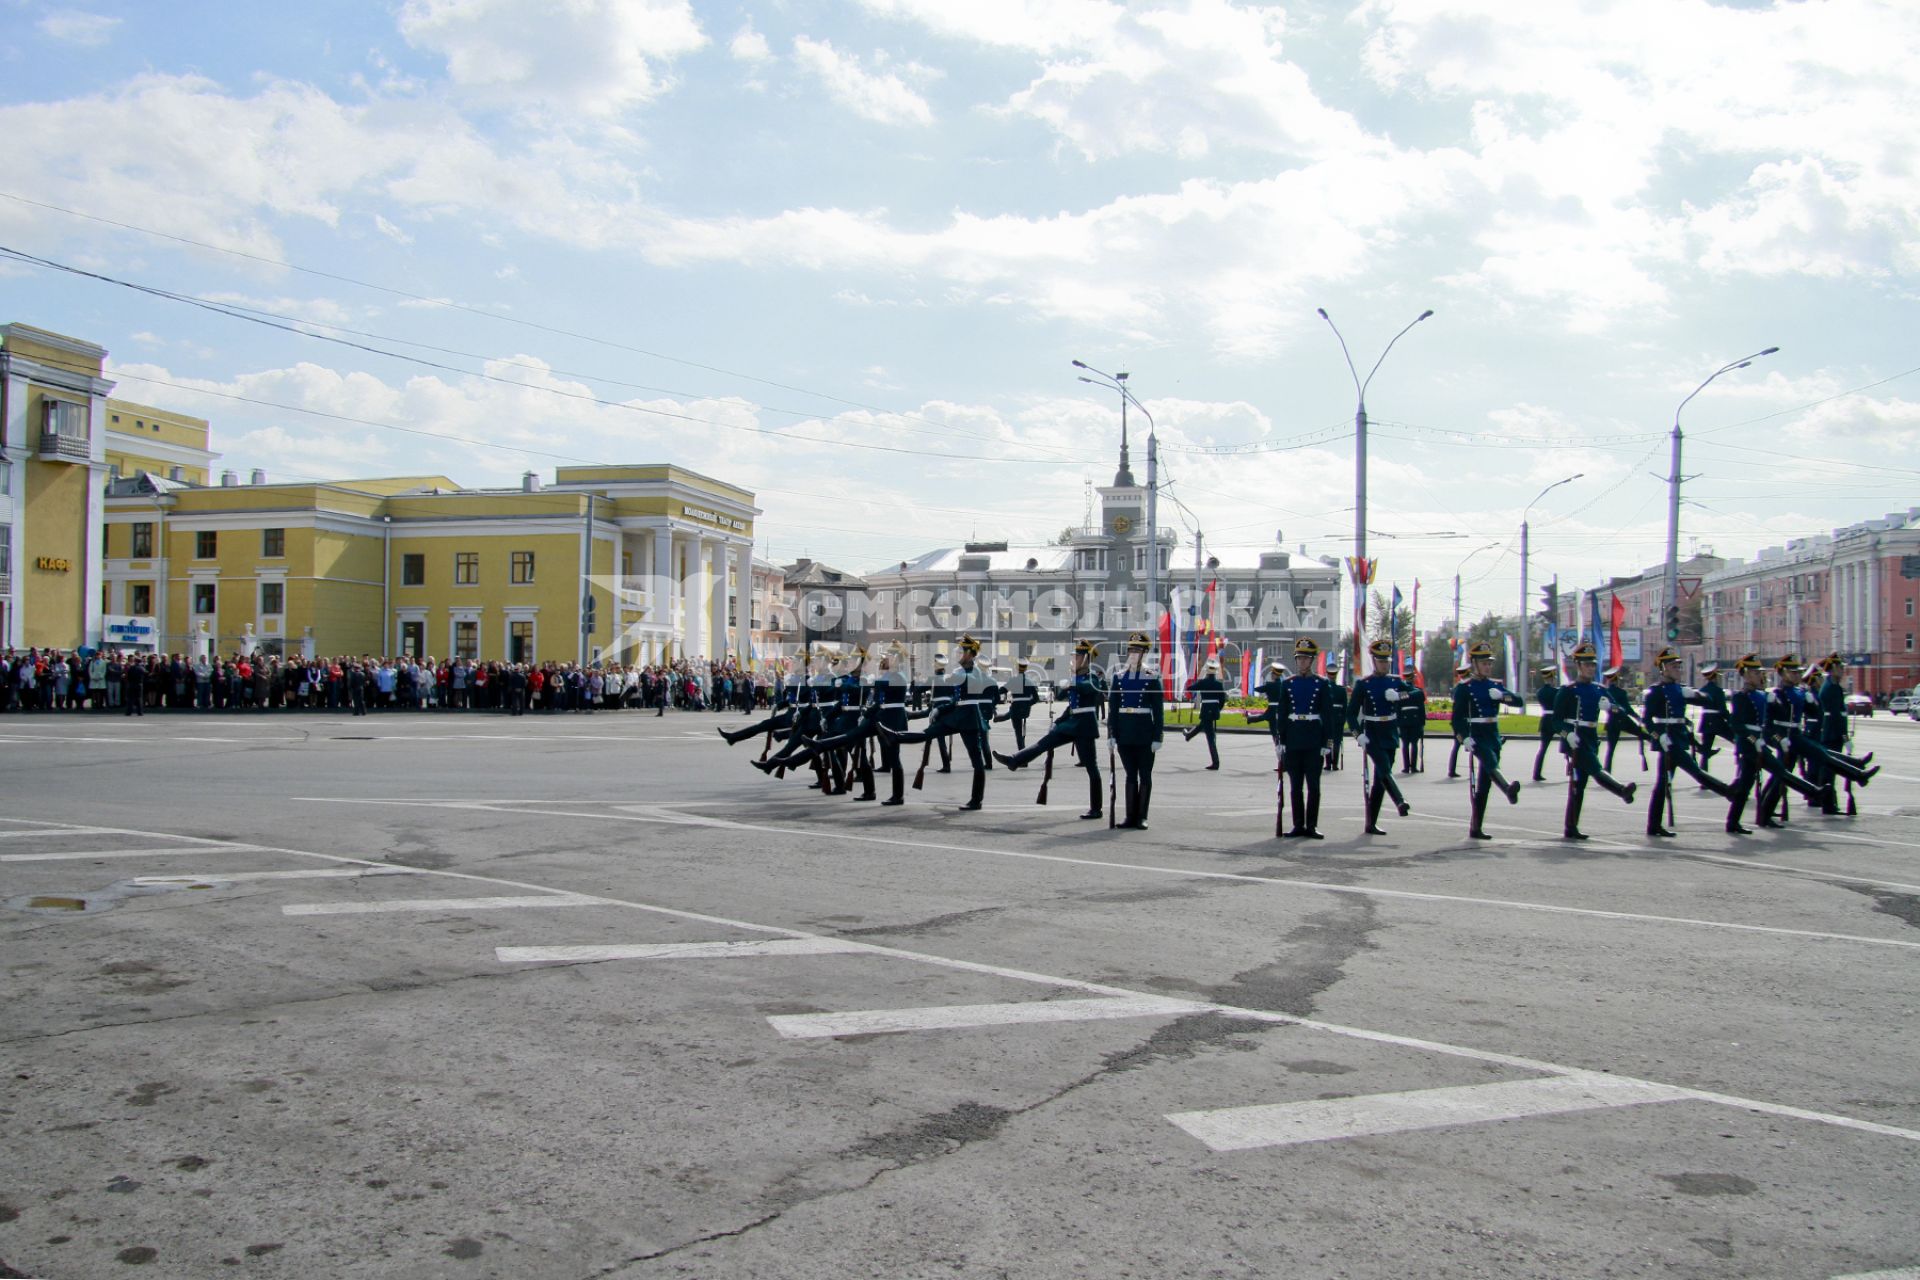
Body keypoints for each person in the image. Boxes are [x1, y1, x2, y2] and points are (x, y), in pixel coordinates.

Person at [995, 640, 1106, 821]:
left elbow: (1088, 689)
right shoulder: (1076, 677)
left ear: (1086, 659)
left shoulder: (1091, 678)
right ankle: (1014, 760)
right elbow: (1071, 705)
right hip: (1071, 723)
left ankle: (1096, 808)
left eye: (1077, 656)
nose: (1073, 659)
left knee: (1091, 768)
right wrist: (1059, 721)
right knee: (1043, 744)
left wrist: (1071, 683)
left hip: (1085, 726)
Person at [888, 635, 995, 811]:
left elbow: (973, 684)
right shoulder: (962, 671)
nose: (958, 654)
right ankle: (896, 737)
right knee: (929, 732)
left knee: (976, 761)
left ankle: (976, 800)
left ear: (969, 654)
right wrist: (940, 709)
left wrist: (958, 677)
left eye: (961, 651)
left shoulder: (976, 672)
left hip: (969, 717)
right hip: (957, 714)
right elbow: (955, 699)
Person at [1641, 648, 1731, 837]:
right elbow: (1647, 721)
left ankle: (1654, 825)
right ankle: (1729, 792)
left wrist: (1696, 695)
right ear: (1663, 668)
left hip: (1679, 738)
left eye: (1679, 666)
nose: (1678, 669)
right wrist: (1658, 736)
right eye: (1674, 666)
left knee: (1663, 783)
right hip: (1667, 741)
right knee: (1694, 771)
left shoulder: (1680, 689)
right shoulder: (1655, 692)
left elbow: (1710, 701)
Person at [1552, 642, 1636, 840]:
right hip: (1575, 738)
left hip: (1590, 737)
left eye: (1593, 665)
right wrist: (1567, 734)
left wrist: (1610, 708)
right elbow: (1555, 720)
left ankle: (1571, 827)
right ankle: (1621, 790)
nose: (1591, 668)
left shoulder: (1599, 689)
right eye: (1587, 665)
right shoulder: (1568, 690)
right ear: (1578, 666)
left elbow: (1621, 711)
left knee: (1579, 785)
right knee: (1596, 769)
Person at [1451, 641, 1523, 839]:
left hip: (1492, 734)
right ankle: (1508, 789)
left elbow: (1519, 701)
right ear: (1474, 664)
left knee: (1484, 785)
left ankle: (1476, 828)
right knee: (1490, 762)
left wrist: (1503, 696)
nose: (1488, 667)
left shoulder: (1495, 686)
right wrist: (1463, 738)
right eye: (1484, 663)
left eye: (1489, 663)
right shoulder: (1465, 688)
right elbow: (1456, 719)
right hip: (1477, 735)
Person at [1348, 639, 1412, 834]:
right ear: (1374, 661)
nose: (1384, 664)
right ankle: (1400, 801)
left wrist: (1399, 696)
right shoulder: (1364, 684)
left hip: (1390, 732)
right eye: (1381, 661)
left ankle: (1371, 823)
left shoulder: (1395, 681)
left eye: (1387, 661)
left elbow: (1418, 694)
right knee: (1384, 768)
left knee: (1379, 780)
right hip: (1373, 733)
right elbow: (1350, 713)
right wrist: (1357, 734)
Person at [1275, 638, 1333, 838]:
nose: (1302, 663)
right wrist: (1280, 741)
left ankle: (1312, 826)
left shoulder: (1322, 684)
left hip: (1313, 739)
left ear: (1312, 661)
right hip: (1293, 738)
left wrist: (1328, 742)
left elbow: (1328, 716)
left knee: (1314, 787)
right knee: (1295, 786)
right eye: (1299, 659)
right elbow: (1282, 714)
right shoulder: (1288, 684)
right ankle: (1298, 825)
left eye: (1305, 659)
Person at [1108, 632, 1164, 829]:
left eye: (1138, 651)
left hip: (1144, 733)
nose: (1133, 654)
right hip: (1125, 733)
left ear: (1145, 654)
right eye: (1131, 650)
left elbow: (1158, 711)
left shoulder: (1152, 677)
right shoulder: (1119, 677)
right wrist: (1111, 734)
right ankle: (1130, 816)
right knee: (1130, 774)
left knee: (1145, 775)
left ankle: (1142, 816)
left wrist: (1158, 736)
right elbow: (1113, 709)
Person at [1183, 658, 1227, 770]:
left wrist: (1190, 684)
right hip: (1214, 711)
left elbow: (1190, 688)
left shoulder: (1203, 682)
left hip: (1206, 710)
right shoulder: (1218, 684)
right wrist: (1218, 709)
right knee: (1203, 726)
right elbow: (1222, 699)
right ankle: (1188, 735)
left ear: (1207, 671)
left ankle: (1216, 762)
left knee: (1210, 738)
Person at [1600, 665, 1646, 772]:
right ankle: (1657, 744)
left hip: (1611, 722)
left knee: (1610, 749)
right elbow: (1628, 709)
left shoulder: (1605, 692)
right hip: (1624, 721)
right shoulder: (1621, 692)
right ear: (1617, 679)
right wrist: (1639, 718)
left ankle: (1607, 770)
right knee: (1642, 734)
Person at [1693, 663, 1730, 765]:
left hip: (1705, 720)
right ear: (1715, 676)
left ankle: (1703, 769)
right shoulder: (1718, 691)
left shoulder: (1703, 689)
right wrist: (1731, 720)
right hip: (1717, 721)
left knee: (1706, 747)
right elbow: (1722, 709)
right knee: (1735, 739)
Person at [1003, 658, 1042, 751]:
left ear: (1017, 667)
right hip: (1025, 710)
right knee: (1022, 733)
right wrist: (1028, 704)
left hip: (1015, 709)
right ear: (1026, 668)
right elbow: (1036, 698)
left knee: (1018, 733)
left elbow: (1002, 690)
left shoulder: (1013, 680)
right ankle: (1023, 752)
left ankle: (1021, 754)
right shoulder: (1030, 682)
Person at [1532, 664, 1561, 783]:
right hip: (1556, 721)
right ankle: (1571, 768)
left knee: (1543, 749)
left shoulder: (1540, 692)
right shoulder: (1556, 692)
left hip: (1545, 720)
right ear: (1552, 678)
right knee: (1569, 743)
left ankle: (1536, 773)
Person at [1445, 660, 1471, 778]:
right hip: (1463, 722)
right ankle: (1453, 770)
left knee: (1457, 746)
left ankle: (1452, 770)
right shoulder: (1463, 688)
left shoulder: (1458, 687)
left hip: (1461, 721)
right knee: (1465, 745)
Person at [1397, 677, 1426, 774]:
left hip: (1404, 721)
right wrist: (1422, 722)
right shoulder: (1418, 692)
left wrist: (1398, 722)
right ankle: (1413, 767)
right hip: (1415, 720)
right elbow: (1422, 709)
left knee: (1405, 744)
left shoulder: (1400, 694)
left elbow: (1397, 708)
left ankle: (1406, 767)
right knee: (1414, 744)